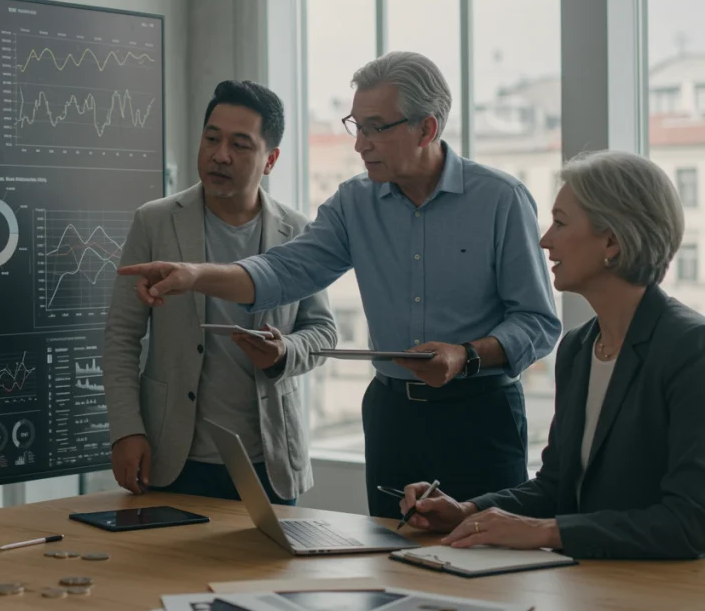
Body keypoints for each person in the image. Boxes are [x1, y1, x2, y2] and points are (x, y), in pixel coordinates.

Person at [117, 52, 562, 518]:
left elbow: (537, 322)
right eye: (357, 126)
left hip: (480, 414)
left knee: (490, 560)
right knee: (390, 563)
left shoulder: (500, 200)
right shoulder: (354, 202)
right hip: (393, 417)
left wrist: (466, 355)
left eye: (375, 128)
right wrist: (195, 275)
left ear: (427, 129)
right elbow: (285, 271)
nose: (360, 145)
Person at [397, 151, 705, 560]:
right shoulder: (578, 349)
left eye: (560, 222)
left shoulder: (691, 350)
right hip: (588, 583)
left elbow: (687, 523)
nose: (545, 239)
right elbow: (555, 487)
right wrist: (465, 512)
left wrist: (544, 531)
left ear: (611, 241)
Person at [104, 80, 337, 506]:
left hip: (269, 461)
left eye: (240, 144)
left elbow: (322, 331)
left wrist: (285, 351)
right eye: (211, 138)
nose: (220, 155)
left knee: (268, 572)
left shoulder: (298, 232)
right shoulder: (155, 222)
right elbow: (121, 336)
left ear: (271, 160)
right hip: (171, 454)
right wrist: (127, 430)